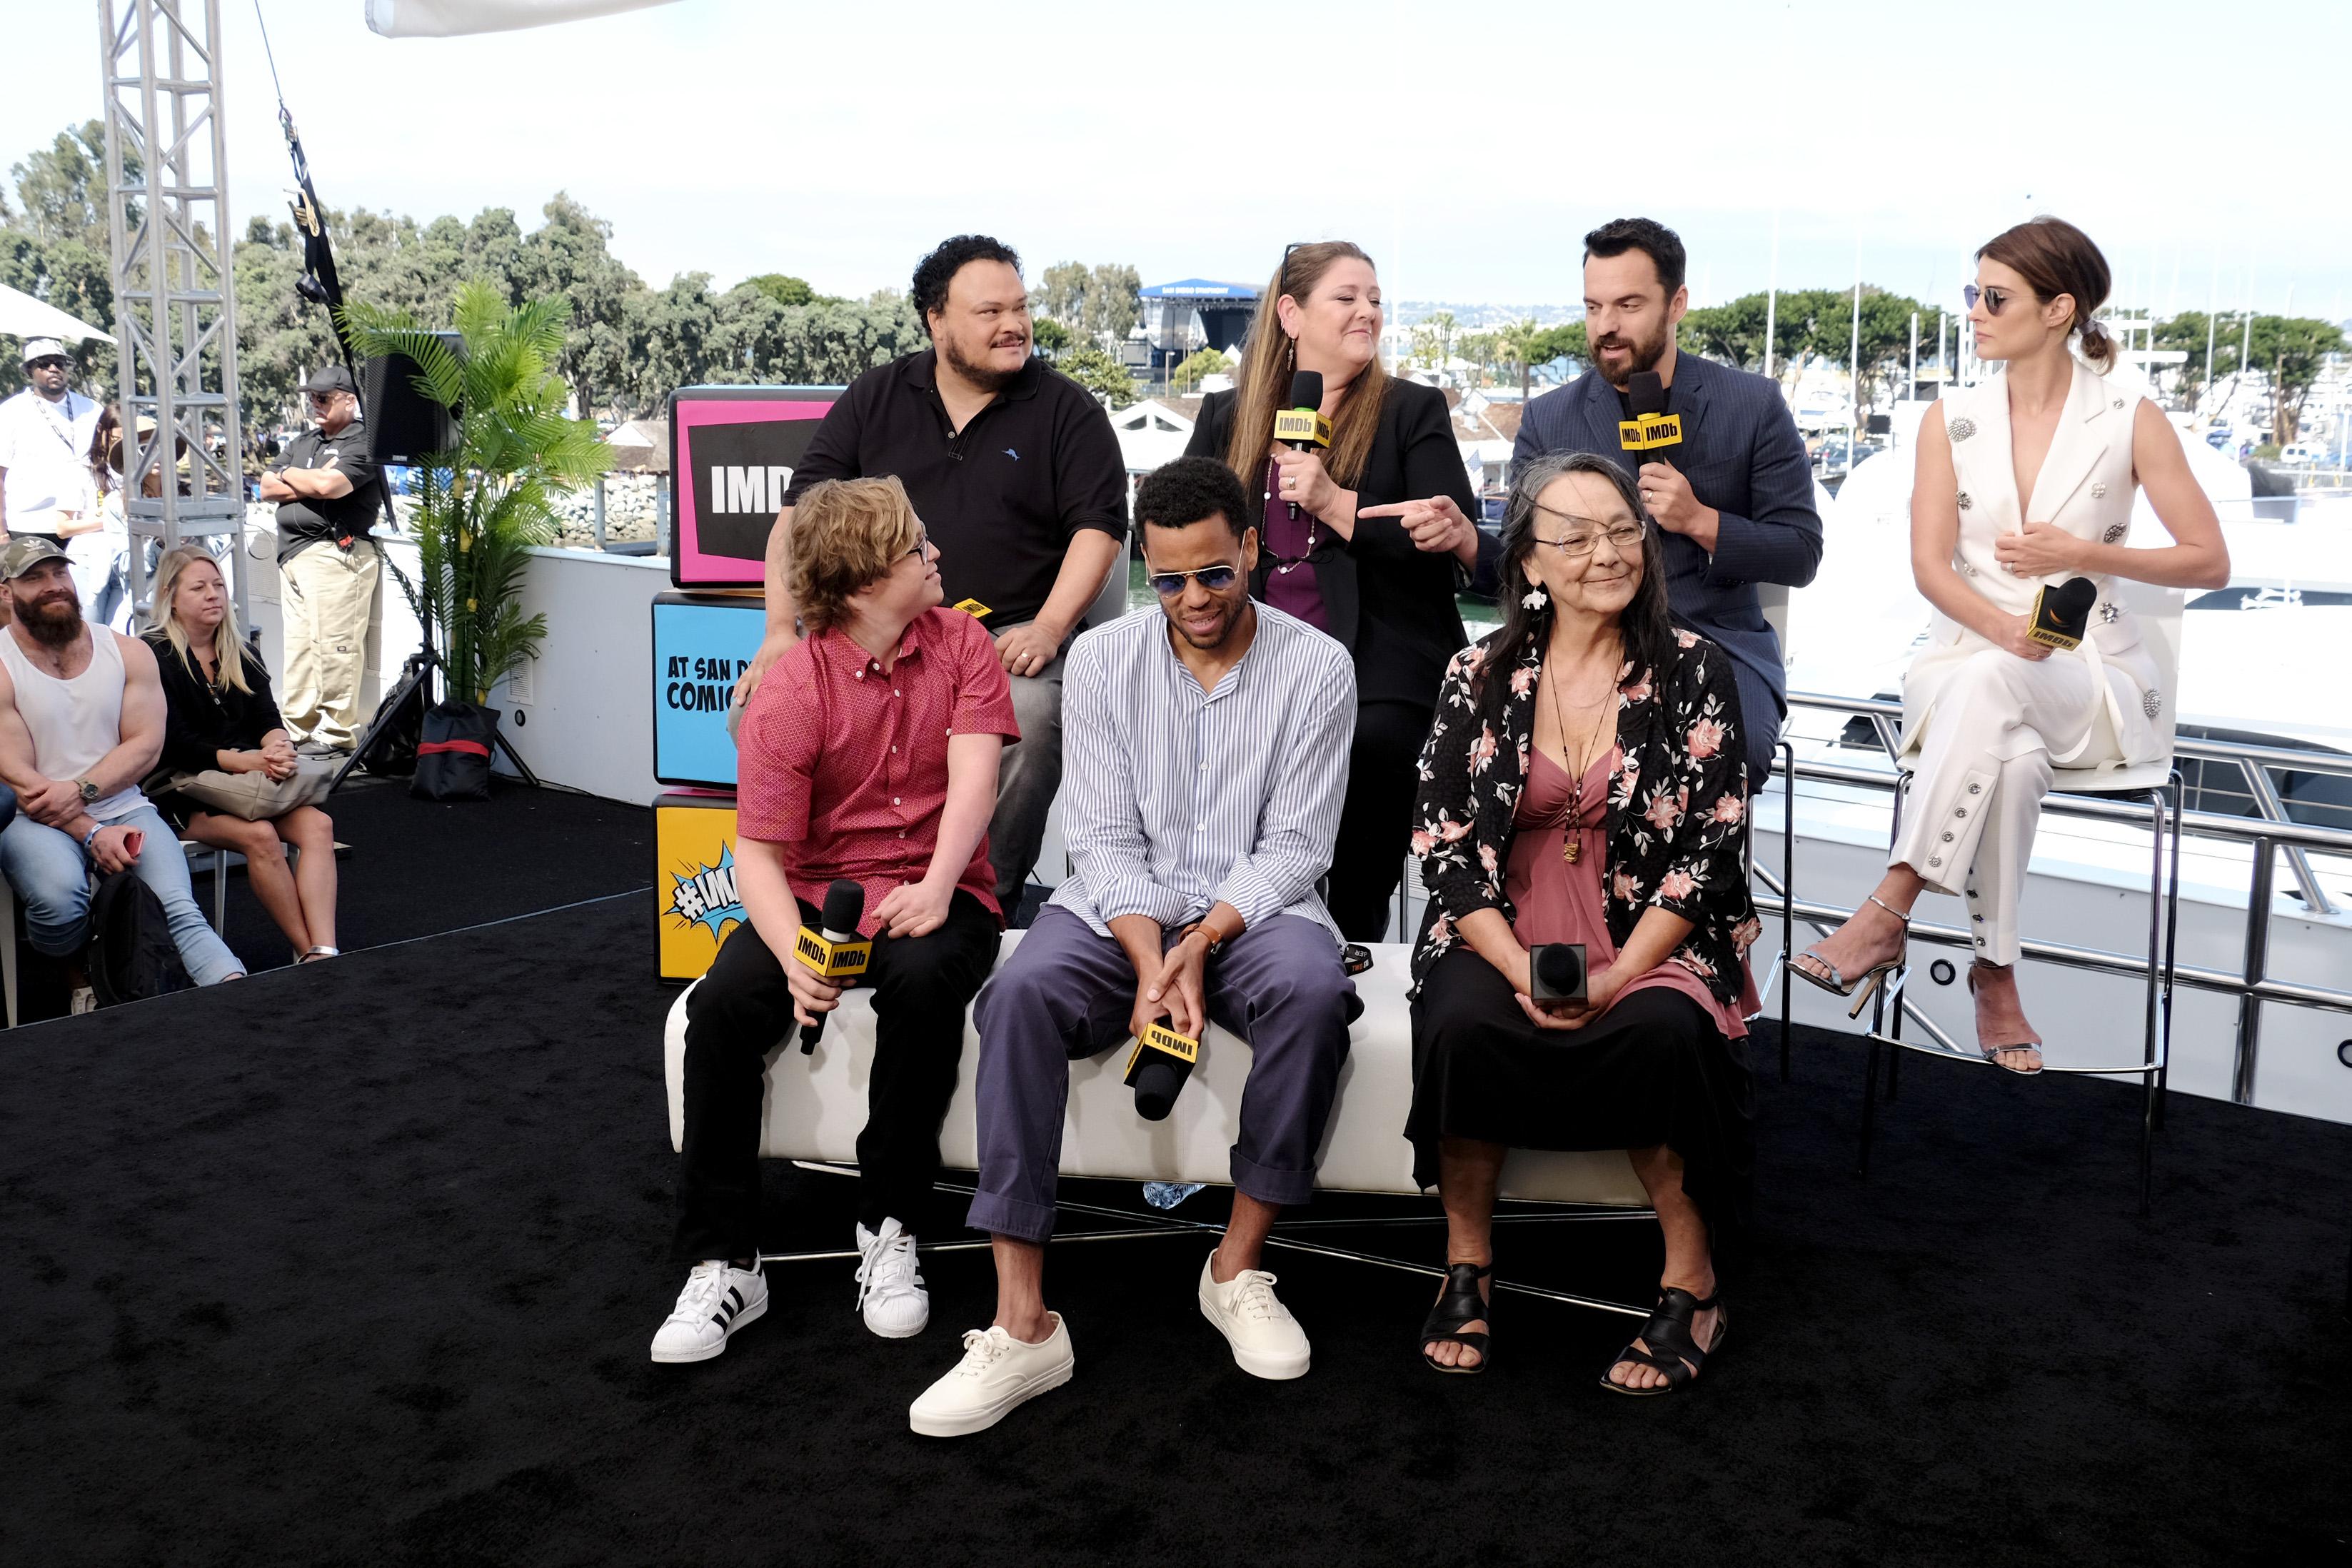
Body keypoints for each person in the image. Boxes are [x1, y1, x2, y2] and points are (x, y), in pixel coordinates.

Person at [908, 456, 1357, 1438]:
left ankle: (1235, 1269)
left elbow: (1296, 847)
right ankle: (1023, 1325)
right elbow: (1103, 839)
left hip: (1257, 913)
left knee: (1316, 996)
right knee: (1019, 995)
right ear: (1144, 568)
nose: (1192, 598)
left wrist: (1200, 944)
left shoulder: (1319, 667)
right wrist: (1155, 956)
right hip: (1119, 913)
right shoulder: (1105, 661)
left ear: (1251, 548)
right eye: (1166, 579)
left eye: (1213, 573)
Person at [1791, 217, 2228, 1072]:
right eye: (1973, 293)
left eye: (1995, 297)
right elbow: (1928, 564)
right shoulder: (1949, 418)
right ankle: (1996, 972)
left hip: (2086, 669)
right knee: (2012, 753)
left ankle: (1889, 910)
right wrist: (1998, 630)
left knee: (1999, 694)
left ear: (2060, 308)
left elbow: (2209, 559)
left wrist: (2082, 554)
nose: (1975, 312)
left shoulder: (2129, 417)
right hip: (1964, 661)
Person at [1407, 451, 1759, 1395]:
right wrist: (1518, 966)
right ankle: (1468, 1268)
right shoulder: (1475, 673)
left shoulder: (1694, 670)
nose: (1605, 553)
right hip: (1500, 926)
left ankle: (1692, 1284)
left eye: (1620, 531)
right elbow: (1442, 848)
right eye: (1573, 536)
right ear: (1526, 561)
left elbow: (1708, 854)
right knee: (1461, 1023)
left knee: (1659, 1032)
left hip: (1651, 930)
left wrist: (1615, 974)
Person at [652, 476, 1017, 1362]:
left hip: (941, 884)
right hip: (818, 891)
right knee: (723, 1007)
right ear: (861, 585)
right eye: (915, 548)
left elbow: (974, 783)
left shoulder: (965, 642)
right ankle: (725, 1260)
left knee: (926, 982)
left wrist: (935, 887)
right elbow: (760, 858)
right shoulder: (792, 689)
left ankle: (889, 1225)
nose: (936, 555)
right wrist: (793, 957)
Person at [738, 235, 1130, 913]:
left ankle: (984, 899)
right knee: (756, 707)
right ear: (936, 319)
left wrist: (1049, 626)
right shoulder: (876, 395)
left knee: (1032, 718)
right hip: (879, 632)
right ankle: (815, 896)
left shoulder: (1069, 410)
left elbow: (1099, 530)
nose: (1014, 325)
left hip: (1011, 638)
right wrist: (779, 630)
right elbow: (797, 519)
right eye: (989, 312)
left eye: (1021, 307)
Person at [1185, 241, 1497, 940]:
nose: (1368, 312)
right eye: (1348, 298)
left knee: (1371, 740)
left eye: (1376, 300)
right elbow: (1181, 530)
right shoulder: (1227, 416)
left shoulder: (1410, 411)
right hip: (1252, 651)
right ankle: (1223, 933)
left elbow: (1448, 545)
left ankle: (1350, 935)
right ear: (1291, 315)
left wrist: (1336, 504)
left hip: (1381, 657)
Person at [1514, 219, 1823, 790]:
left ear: (1676, 302)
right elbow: (1520, 558)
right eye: (1593, 307)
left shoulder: (1751, 405)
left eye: (1628, 305)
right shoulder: (1549, 418)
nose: (1606, 327)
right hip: (1579, 646)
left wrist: (1701, 522)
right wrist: (1461, 537)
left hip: (1717, 645)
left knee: (1724, 753)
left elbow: (1800, 553)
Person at [0, 538, 244, 999]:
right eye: (35, 577)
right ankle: (79, 973)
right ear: (6, 592)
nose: (54, 586)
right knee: (59, 903)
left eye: (59, 573)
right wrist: (92, 832)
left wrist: (84, 796)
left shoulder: (128, 651)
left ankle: (238, 995)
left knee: (176, 905)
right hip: (31, 817)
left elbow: (146, 747)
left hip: (124, 806)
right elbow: (18, 778)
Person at [143, 546, 341, 965]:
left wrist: (278, 746)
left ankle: (325, 949)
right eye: (199, 587)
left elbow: (268, 717)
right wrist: (251, 761)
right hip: (184, 789)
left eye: (218, 585)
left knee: (319, 826)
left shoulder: (241, 649)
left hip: (248, 784)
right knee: (261, 837)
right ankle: (307, 952)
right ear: (170, 596)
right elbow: (175, 743)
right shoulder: (152, 654)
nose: (213, 594)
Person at [262, 365, 383, 755]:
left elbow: (331, 485)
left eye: (323, 398)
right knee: (298, 648)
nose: (314, 404)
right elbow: (266, 486)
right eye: (311, 397)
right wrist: (308, 479)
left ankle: (335, 734)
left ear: (350, 400)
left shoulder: (364, 440)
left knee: (335, 647)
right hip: (292, 555)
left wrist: (293, 477)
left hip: (336, 553)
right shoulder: (304, 441)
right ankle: (297, 728)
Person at [0, 338, 103, 546]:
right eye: (44, 364)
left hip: (86, 525)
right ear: (30, 371)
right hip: (31, 526)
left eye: (60, 363)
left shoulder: (92, 409)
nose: (54, 369)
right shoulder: (10, 412)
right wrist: (2, 535)